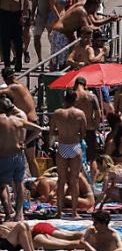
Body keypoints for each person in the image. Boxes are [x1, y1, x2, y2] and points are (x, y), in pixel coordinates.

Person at [49, 90, 86, 218]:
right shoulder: (80, 114)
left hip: (63, 145)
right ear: (75, 100)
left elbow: (51, 131)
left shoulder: (57, 113)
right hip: (75, 146)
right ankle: (74, 212)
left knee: (61, 180)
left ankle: (59, 212)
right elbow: (83, 133)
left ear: (65, 99)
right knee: (74, 179)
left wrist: (61, 133)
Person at [2, 67, 38, 178]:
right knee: (31, 159)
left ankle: (34, 181)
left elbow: (2, 92)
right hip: (32, 123)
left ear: (7, 78)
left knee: (25, 156)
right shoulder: (22, 86)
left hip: (28, 125)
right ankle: (37, 180)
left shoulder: (13, 87)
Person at [0, 0, 30, 71]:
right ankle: (7, 64)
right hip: (4, 14)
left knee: (17, 40)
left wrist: (25, 14)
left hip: (17, 14)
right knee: (5, 41)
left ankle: (18, 62)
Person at [0, 101, 25, 221]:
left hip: (4, 156)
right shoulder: (17, 120)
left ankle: (8, 213)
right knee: (19, 185)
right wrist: (24, 142)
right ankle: (19, 214)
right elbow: (37, 129)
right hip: (18, 155)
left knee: (2, 186)